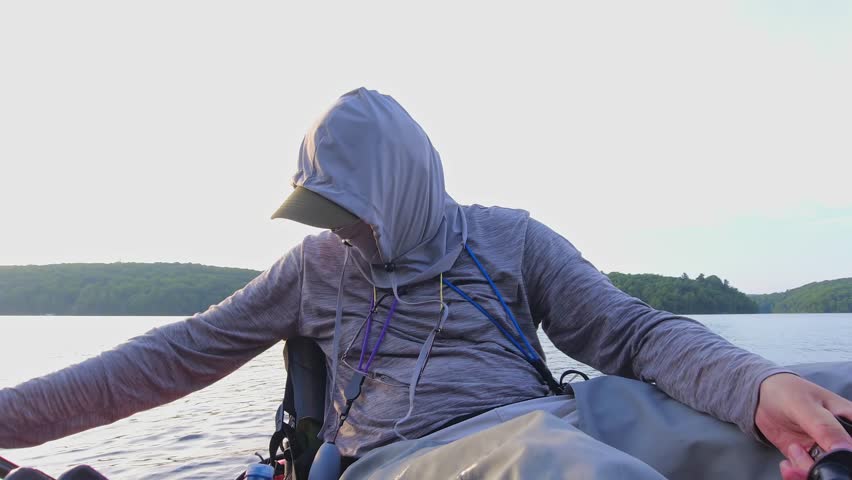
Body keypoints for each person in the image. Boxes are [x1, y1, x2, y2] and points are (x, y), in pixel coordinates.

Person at [1, 88, 850, 480]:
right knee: (562, 470)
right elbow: (168, 358)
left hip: (558, 411)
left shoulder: (511, 237)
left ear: (408, 184)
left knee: (828, 398)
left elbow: (634, 335)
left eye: (348, 206)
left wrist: (762, 380)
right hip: (415, 454)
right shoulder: (314, 269)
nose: (336, 227)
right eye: (322, 207)